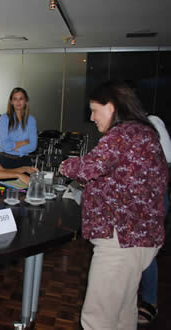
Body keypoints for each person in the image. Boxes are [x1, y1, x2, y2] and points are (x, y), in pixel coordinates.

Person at [60, 81, 166, 330]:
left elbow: (87, 167)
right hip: (140, 238)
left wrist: (64, 165)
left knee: (97, 318)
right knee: (122, 315)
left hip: (121, 240)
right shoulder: (145, 134)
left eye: (95, 110)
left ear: (111, 107)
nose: (91, 117)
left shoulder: (122, 135)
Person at [139, 113, 171, 325]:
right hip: (133, 200)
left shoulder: (152, 122)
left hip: (152, 197)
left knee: (147, 251)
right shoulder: (120, 128)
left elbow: (167, 158)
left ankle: (150, 301)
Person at [0, 88, 38, 169]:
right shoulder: (4, 118)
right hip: (6, 160)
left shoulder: (31, 120)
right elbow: (5, 145)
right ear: (11, 102)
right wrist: (24, 142)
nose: (18, 102)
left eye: (21, 98)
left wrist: (16, 148)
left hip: (25, 161)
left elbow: (33, 145)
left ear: (26, 101)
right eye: (15, 99)